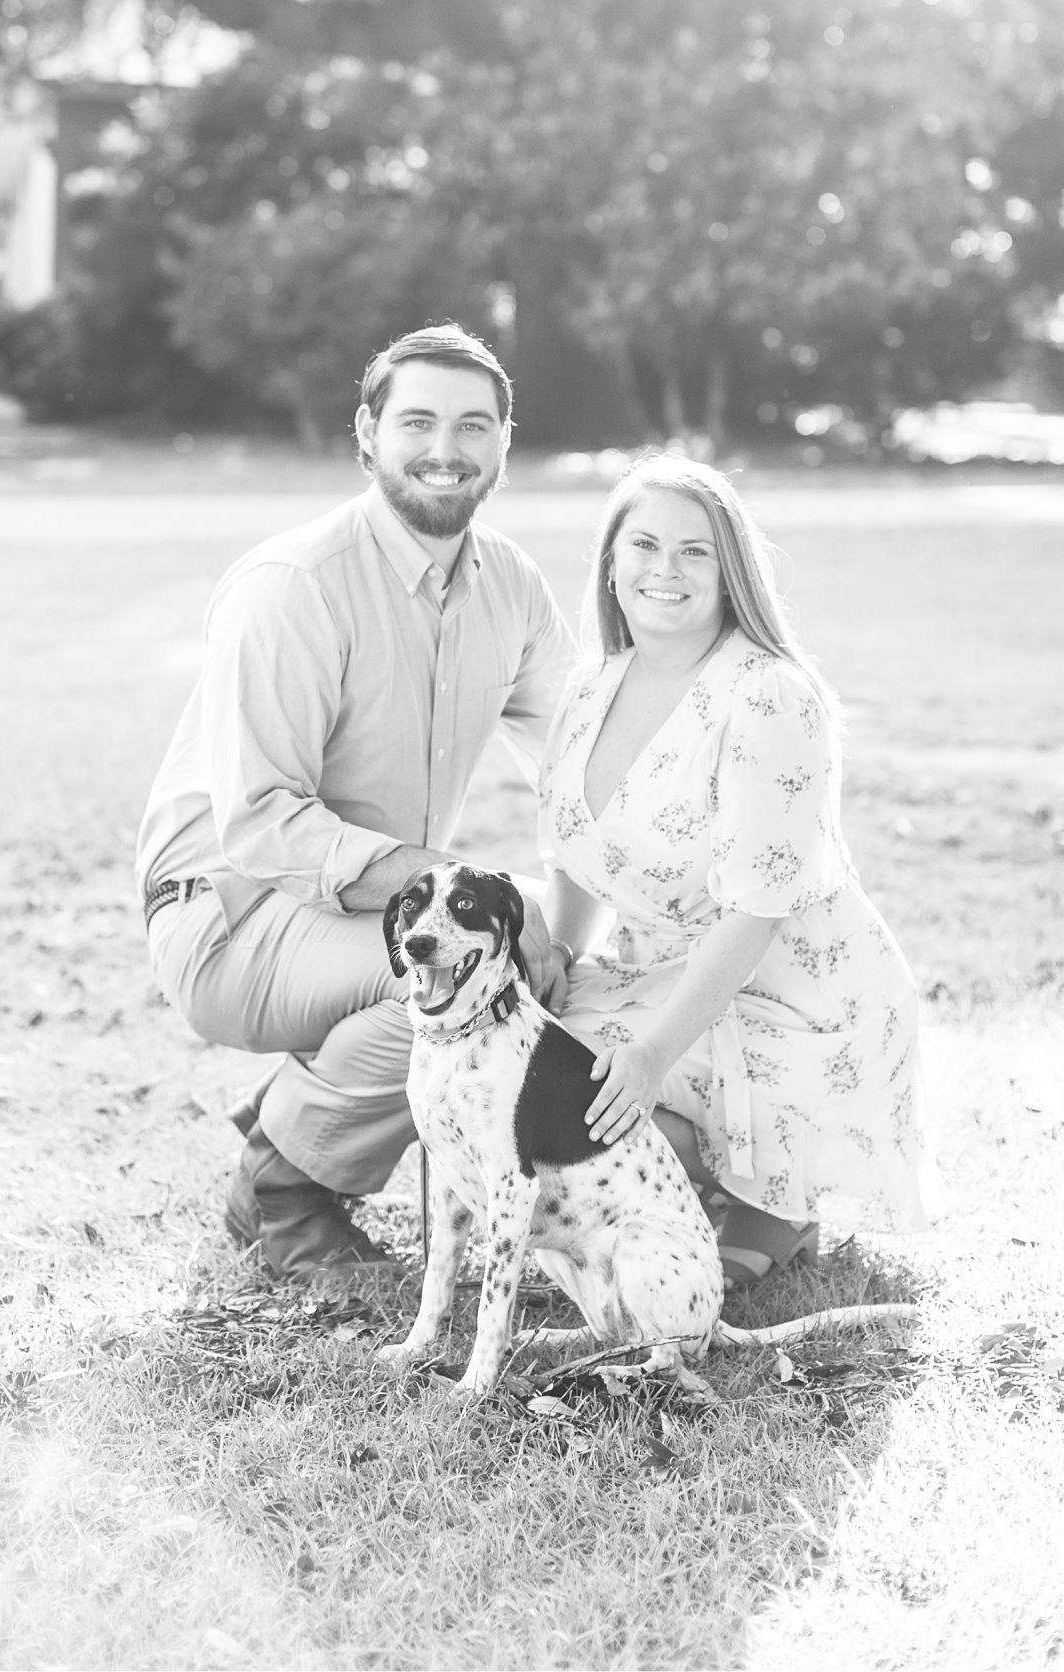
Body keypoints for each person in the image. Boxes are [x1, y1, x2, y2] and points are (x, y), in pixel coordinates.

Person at [136, 324, 577, 1282]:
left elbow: (582, 754)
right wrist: (472, 889)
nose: (445, 449)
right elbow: (260, 822)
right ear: (367, 434)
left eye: (474, 425)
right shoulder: (294, 586)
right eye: (416, 420)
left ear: (505, 441)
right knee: (477, 969)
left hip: (363, 908)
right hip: (227, 913)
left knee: (565, 941)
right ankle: (282, 1189)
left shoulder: (510, 582)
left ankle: (307, 1102)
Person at [537, 454, 939, 1288]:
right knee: (523, 1084)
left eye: (696, 551)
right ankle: (688, 1169)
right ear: (611, 565)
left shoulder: (768, 697)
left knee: (592, 1112)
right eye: (645, 545)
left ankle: (768, 1202)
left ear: (732, 572)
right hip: (655, 969)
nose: (665, 570)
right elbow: (575, 862)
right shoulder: (587, 688)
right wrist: (557, 968)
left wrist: (648, 1056)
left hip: (785, 995)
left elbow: (753, 915)